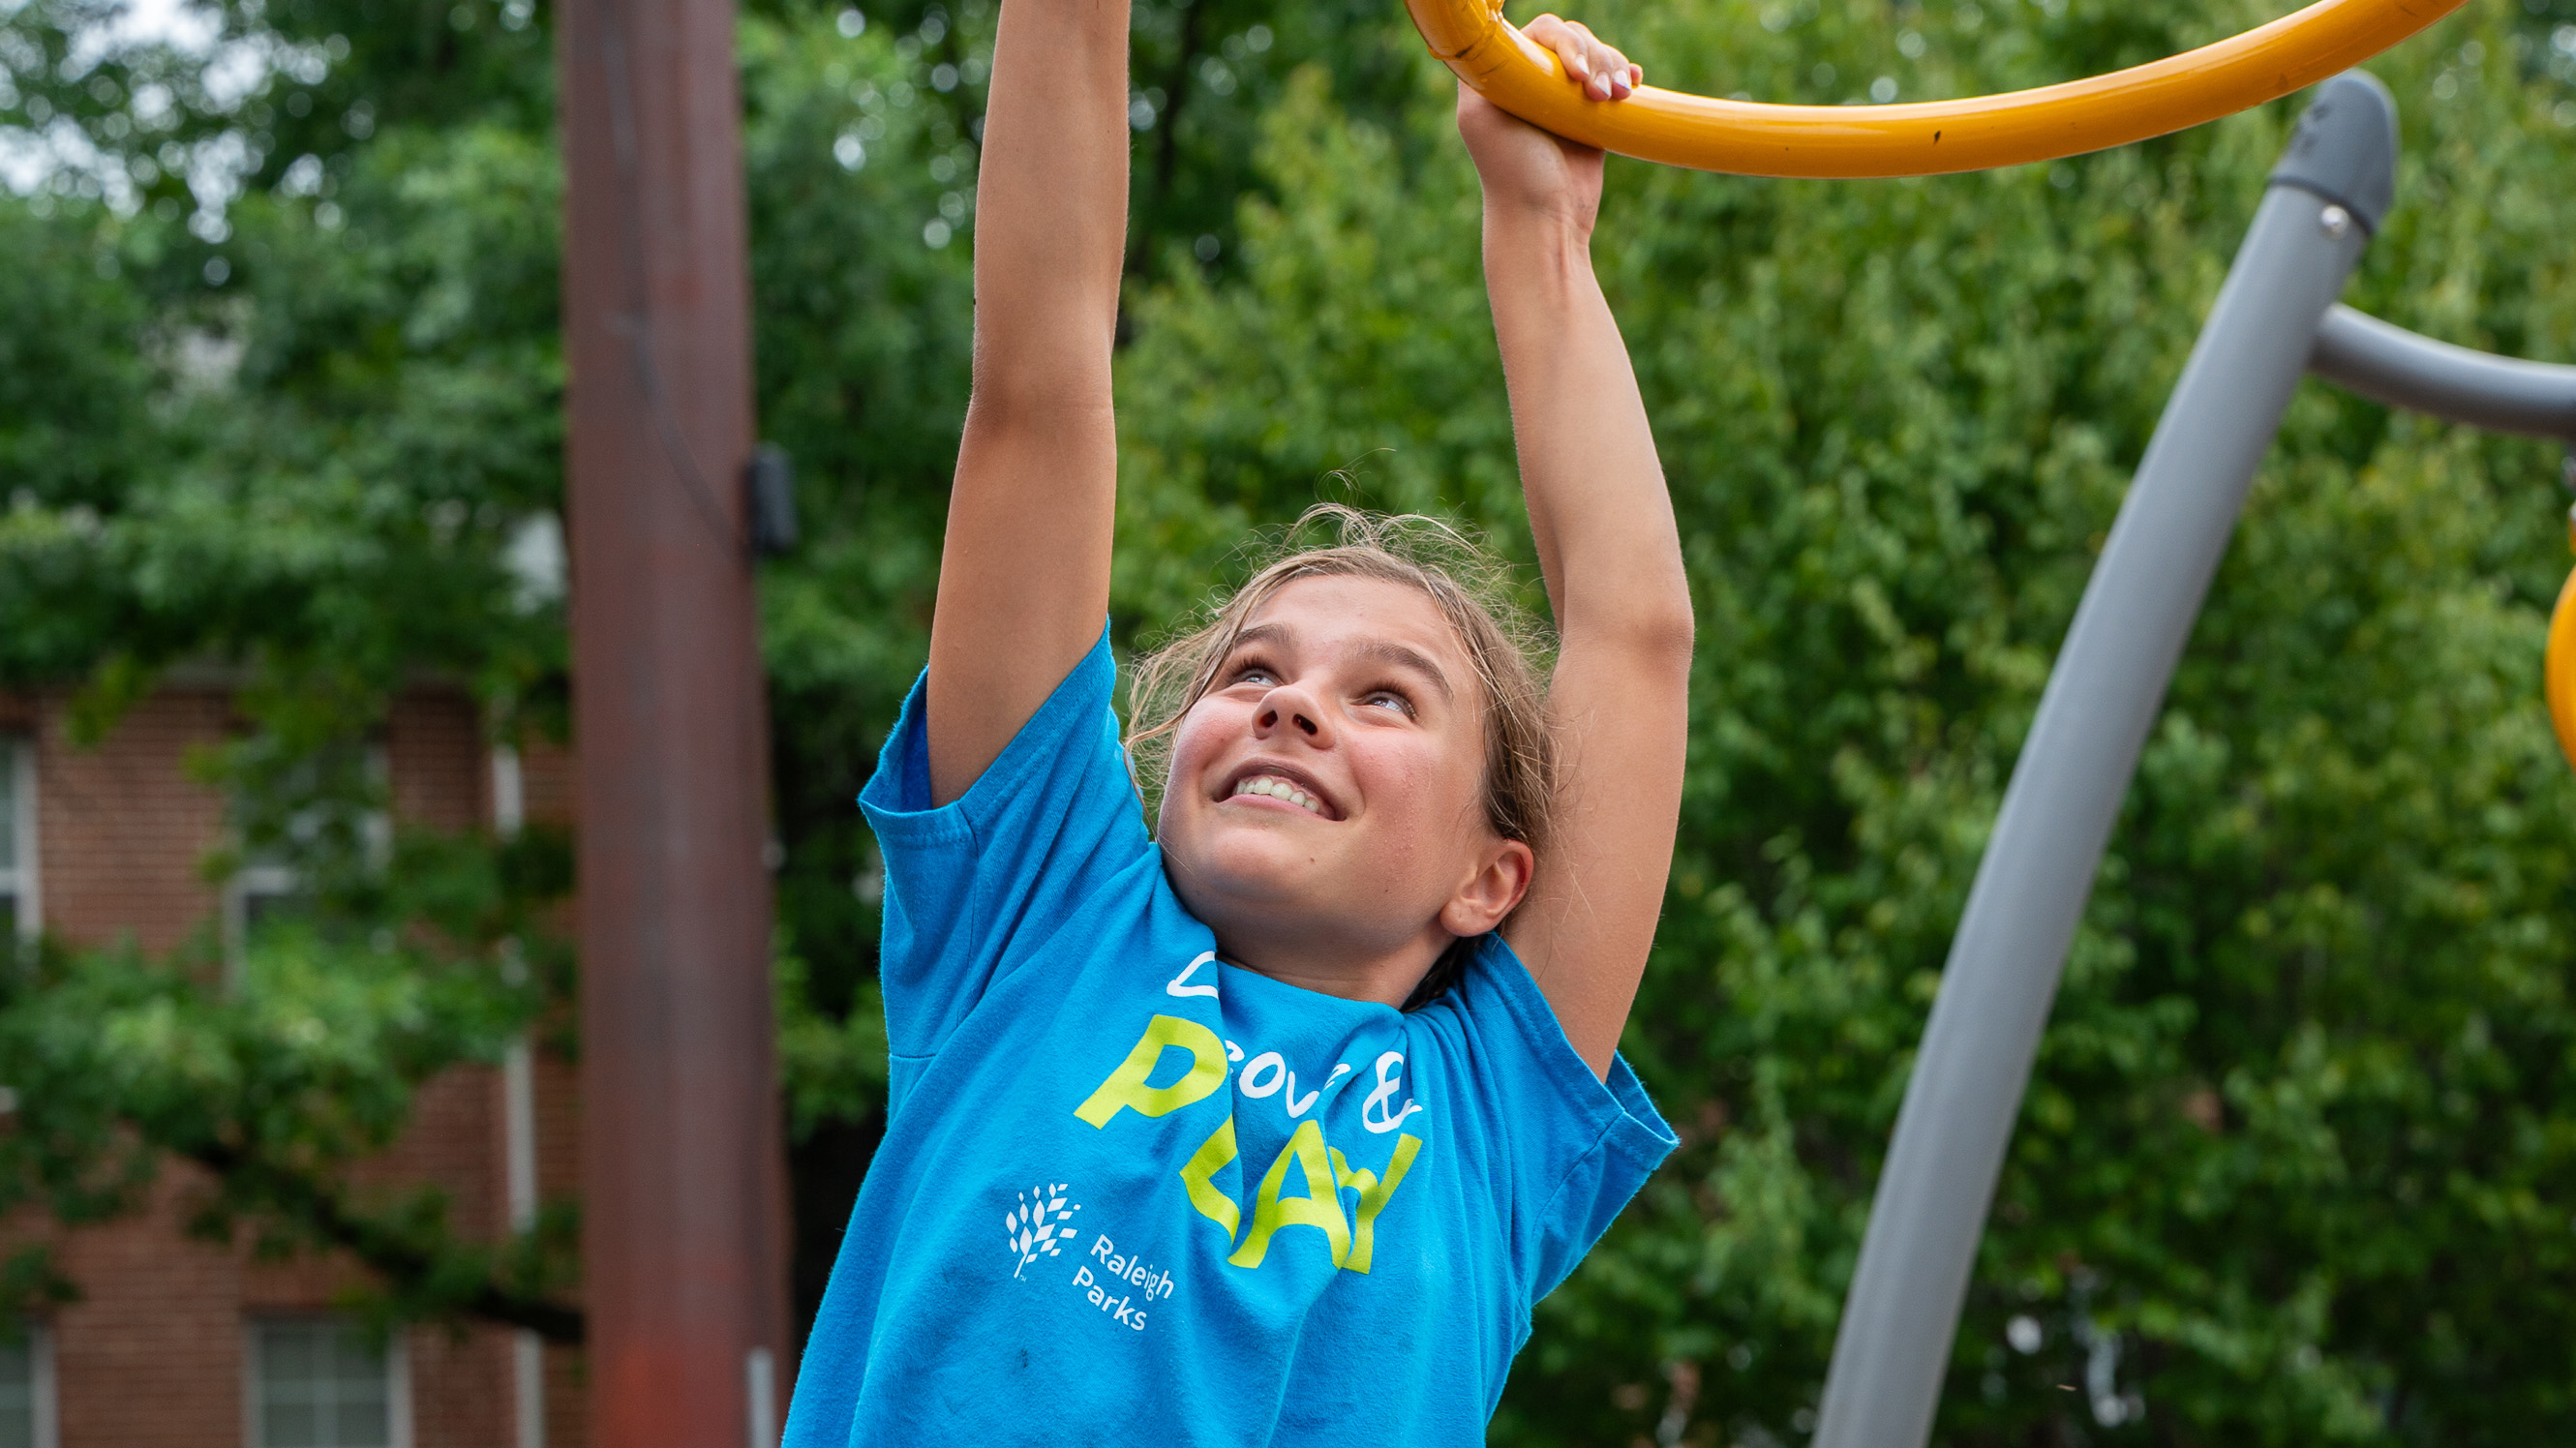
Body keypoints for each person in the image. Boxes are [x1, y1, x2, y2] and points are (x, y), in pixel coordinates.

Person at [781, 1, 1692, 1440]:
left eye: (1383, 697)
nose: (1291, 708)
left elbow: (1634, 644)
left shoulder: (1482, 1121)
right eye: (1251, 673)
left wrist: (1537, 223)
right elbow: (1036, 392)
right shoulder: (1042, 924)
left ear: (1489, 878)